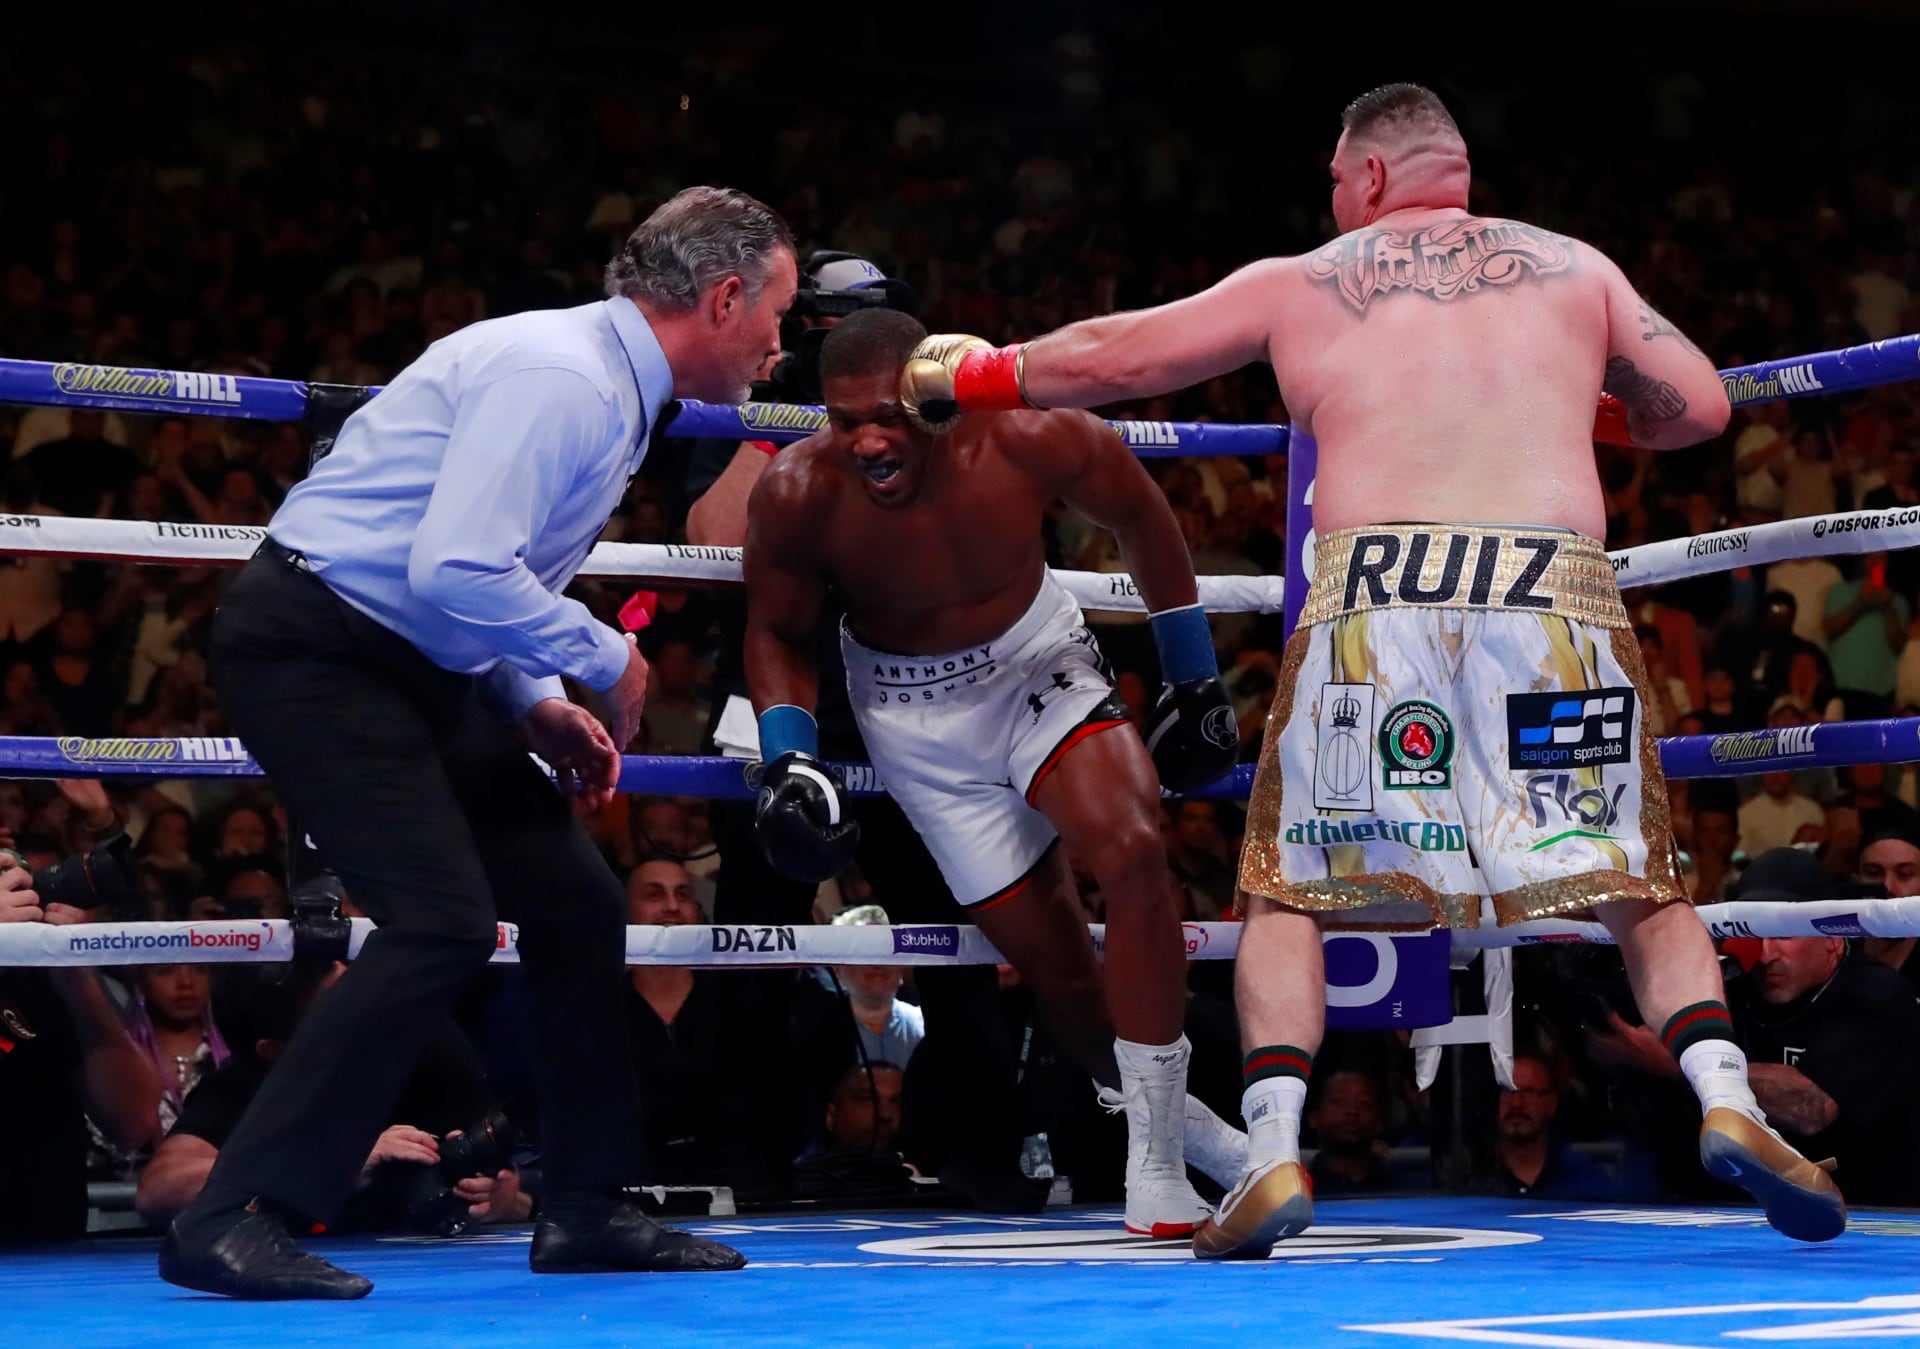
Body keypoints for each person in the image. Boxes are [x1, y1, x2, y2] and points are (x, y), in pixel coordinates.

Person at [899, 82, 1845, 1253]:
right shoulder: (1576, 268)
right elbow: (1697, 406)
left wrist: (973, 373)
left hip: (1376, 602)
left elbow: (1115, 355)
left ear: (1376, 176)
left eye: (1340, 184)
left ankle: (1278, 1150)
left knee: (1291, 885)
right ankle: (1729, 1098)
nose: (1335, 204)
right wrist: (1591, 413)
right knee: (1632, 879)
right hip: (1551, 600)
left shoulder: (1310, 279)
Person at [160, 186, 794, 1299]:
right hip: (321, 646)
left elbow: (489, 577)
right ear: (725, 296)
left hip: (422, 659)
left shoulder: (608, 387)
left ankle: (588, 1204)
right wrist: (606, 652)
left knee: (577, 903)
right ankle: (233, 1211)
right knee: (440, 920)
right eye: (777, 314)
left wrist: (537, 697)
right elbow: (451, 567)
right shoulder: (564, 378)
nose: (781, 345)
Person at [743, 307, 1246, 1237]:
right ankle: (1202, 1148)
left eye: (889, 414)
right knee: (1057, 973)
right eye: (846, 420)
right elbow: (774, 629)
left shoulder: (1027, 429)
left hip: (1034, 665)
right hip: (912, 720)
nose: (869, 440)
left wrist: (1191, 671)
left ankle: (1155, 1170)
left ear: (936, 395)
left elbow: (1140, 511)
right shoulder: (798, 491)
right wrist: (788, 759)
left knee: (1135, 849)